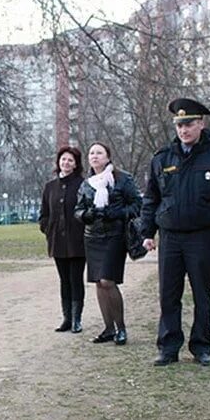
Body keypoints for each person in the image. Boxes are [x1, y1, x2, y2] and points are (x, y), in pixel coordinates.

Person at [139, 98, 210, 367]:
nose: (184, 130)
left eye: (189, 124)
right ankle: (168, 347)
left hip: (202, 237)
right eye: (179, 125)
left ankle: (201, 346)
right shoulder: (163, 158)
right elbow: (151, 199)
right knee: (168, 295)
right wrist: (146, 232)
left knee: (201, 295)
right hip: (170, 237)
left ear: (201, 124)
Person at [74, 142, 142, 345]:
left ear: (108, 157)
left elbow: (137, 204)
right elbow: (77, 211)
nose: (94, 156)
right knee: (98, 283)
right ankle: (108, 329)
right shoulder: (87, 184)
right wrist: (88, 214)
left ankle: (121, 328)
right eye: (91, 153)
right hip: (92, 236)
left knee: (107, 281)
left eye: (99, 153)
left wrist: (118, 213)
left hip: (114, 235)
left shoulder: (122, 179)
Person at [39, 146, 87, 333]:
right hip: (57, 241)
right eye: (63, 159)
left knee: (76, 279)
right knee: (63, 280)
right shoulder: (50, 187)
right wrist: (47, 229)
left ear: (75, 165)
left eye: (70, 160)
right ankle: (66, 317)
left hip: (77, 242)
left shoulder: (82, 184)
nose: (66, 163)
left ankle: (77, 318)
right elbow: (44, 213)